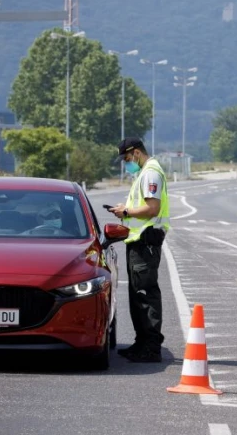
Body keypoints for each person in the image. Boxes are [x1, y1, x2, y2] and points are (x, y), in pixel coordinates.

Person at [107, 137, 170, 363]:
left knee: (145, 294)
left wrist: (126, 212)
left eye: (126, 158)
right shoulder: (144, 173)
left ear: (135, 152)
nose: (126, 162)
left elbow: (152, 208)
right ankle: (141, 343)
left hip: (146, 239)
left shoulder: (150, 173)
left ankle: (151, 348)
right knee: (137, 294)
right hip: (138, 240)